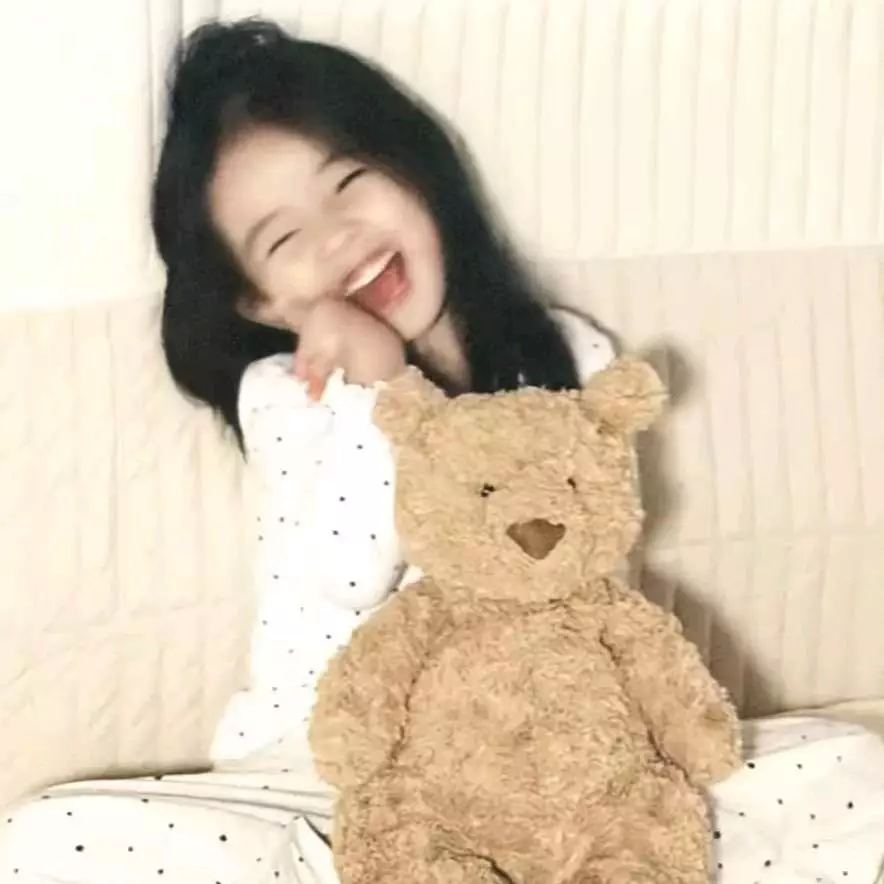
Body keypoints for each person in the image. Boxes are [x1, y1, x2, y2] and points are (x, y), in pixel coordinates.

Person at [4, 17, 884, 884]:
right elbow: (345, 577)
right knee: (49, 838)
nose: (337, 235)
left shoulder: (569, 356)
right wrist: (377, 383)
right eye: (283, 238)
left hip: (563, 769)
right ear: (261, 301)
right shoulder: (287, 395)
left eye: (350, 181)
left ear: (417, 174)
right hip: (337, 774)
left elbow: (590, 574)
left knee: (849, 768)